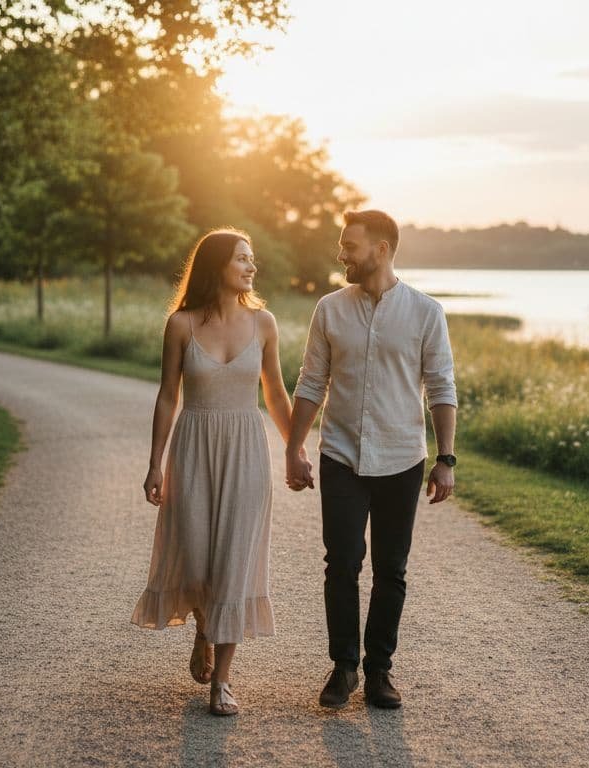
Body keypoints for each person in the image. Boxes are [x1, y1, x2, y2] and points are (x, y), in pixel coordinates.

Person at [285, 209, 458, 710]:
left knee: (391, 569)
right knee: (341, 564)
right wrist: (295, 448)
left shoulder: (426, 313)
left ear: (380, 250)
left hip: (402, 458)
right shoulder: (329, 310)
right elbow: (312, 381)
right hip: (340, 454)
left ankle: (380, 670)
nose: (342, 255)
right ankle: (343, 667)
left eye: (350, 246)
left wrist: (445, 458)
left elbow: (441, 388)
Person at [131, 229, 297, 716]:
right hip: (193, 449)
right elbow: (167, 396)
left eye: (253, 259)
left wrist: (296, 449)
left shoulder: (264, 323)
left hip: (246, 452)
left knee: (233, 564)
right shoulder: (181, 325)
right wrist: (154, 463)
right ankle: (204, 628)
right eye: (242, 259)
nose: (251, 267)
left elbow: (277, 394)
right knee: (199, 560)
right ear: (216, 265)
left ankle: (222, 681)